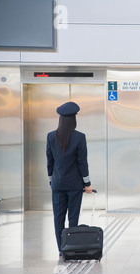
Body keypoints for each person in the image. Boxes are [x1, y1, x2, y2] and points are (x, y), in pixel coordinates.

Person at [46, 101, 93, 255]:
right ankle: (71, 247)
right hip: (74, 185)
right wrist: (87, 184)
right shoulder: (79, 137)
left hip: (58, 185)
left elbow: (50, 161)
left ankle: (61, 248)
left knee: (58, 217)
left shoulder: (51, 136)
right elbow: (82, 163)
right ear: (74, 120)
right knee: (73, 218)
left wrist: (52, 181)